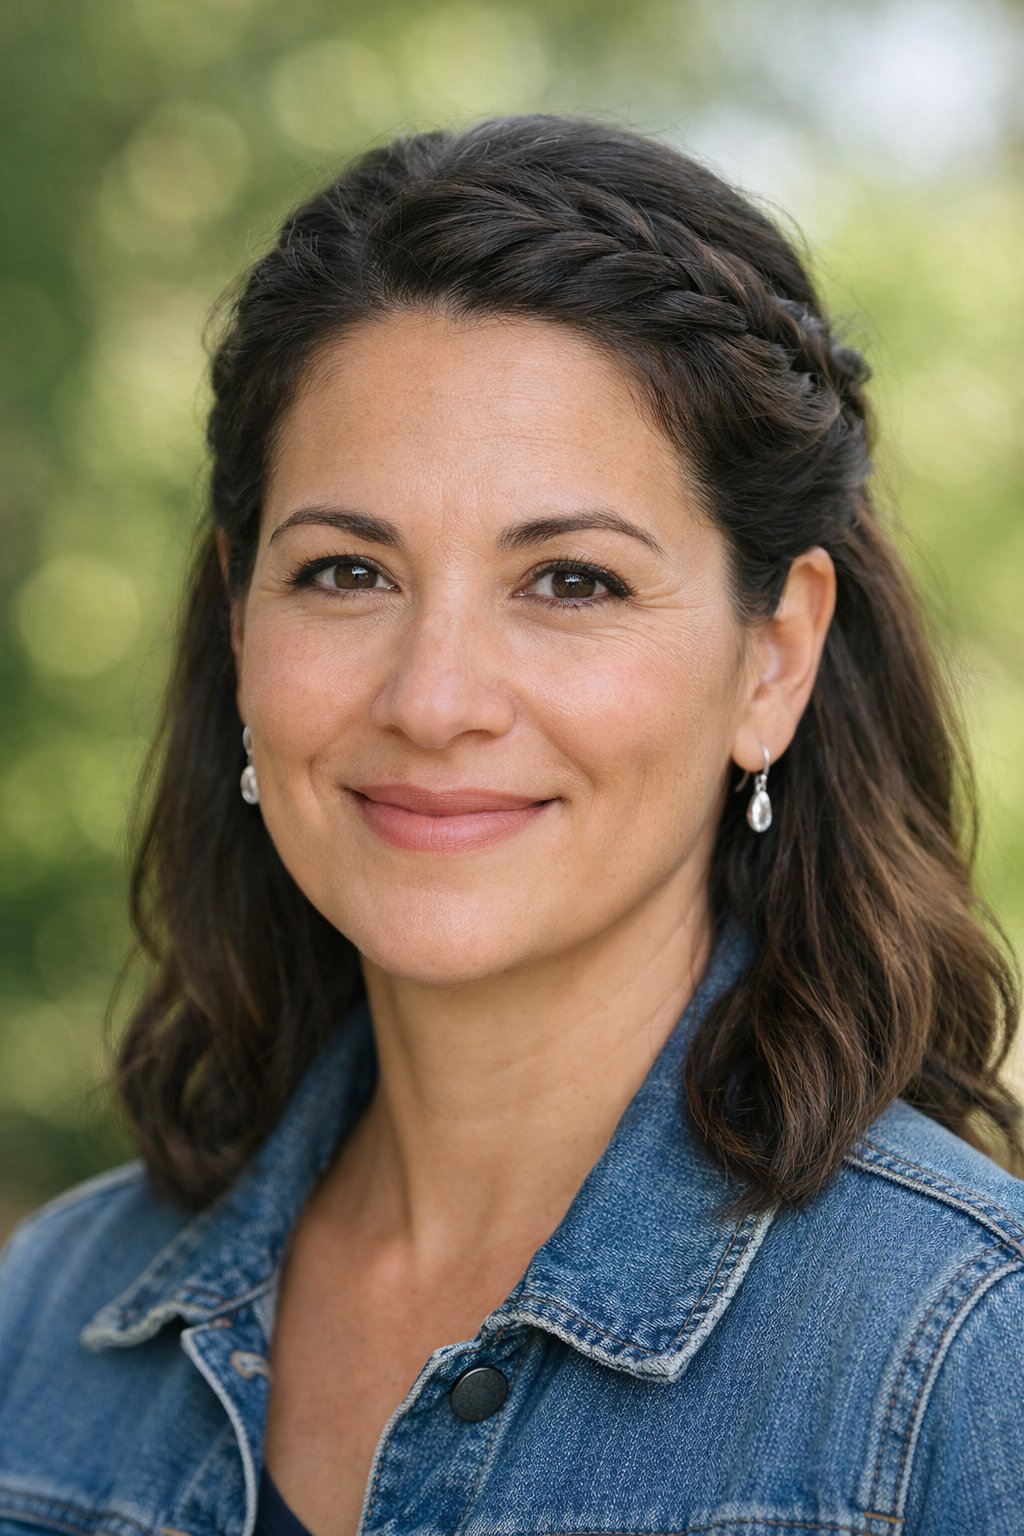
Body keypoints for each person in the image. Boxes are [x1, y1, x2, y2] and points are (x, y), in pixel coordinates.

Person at [1, 113, 1022, 1536]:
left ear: (773, 657)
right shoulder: (47, 1323)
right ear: (241, 622)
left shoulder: (966, 1359)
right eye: (348, 570)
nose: (434, 699)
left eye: (573, 583)